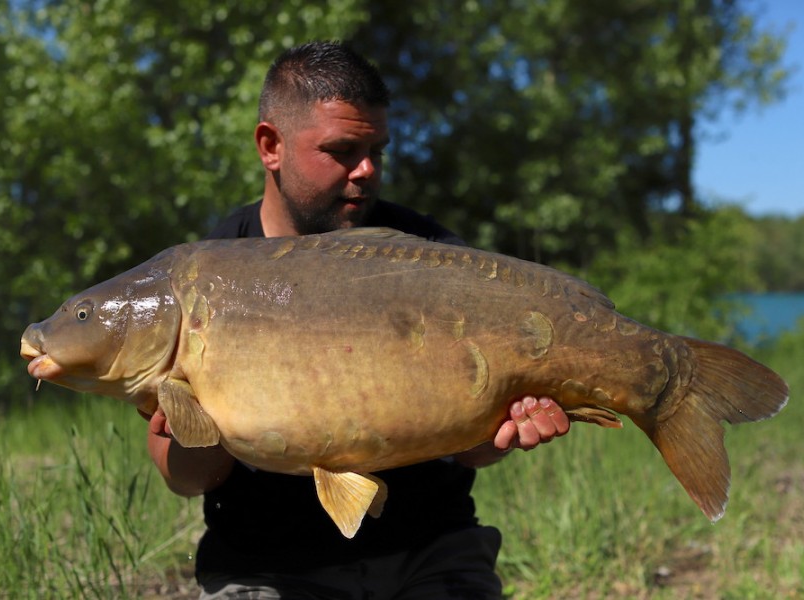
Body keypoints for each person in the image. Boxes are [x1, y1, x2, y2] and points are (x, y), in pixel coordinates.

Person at [143, 41, 570, 599]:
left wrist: (508, 429)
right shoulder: (200, 276)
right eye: (342, 150)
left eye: (377, 150)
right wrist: (195, 421)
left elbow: (473, 449)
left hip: (428, 554)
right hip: (266, 567)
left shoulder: (433, 256)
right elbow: (186, 479)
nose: (366, 170)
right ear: (271, 146)